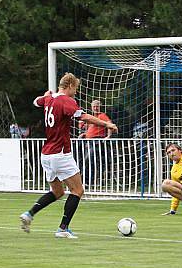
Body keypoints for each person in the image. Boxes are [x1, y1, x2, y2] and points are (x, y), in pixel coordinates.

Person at [19, 73, 118, 238]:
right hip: (60, 153)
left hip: (46, 154)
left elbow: (36, 101)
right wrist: (106, 123)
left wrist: (45, 96)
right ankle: (63, 229)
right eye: (76, 88)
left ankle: (29, 214)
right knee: (78, 190)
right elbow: (83, 116)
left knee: (58, 192)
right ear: (70, 85)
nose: (76, 92)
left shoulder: (49, 99)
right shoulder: (66, 100)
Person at [78, 99, 113, 186]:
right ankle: (86, 181)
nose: (95, 108)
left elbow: (109, 124)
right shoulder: (92, 117)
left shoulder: (102, 116)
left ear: (100, 107)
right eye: (94, 106)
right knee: (86, 160)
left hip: (96, 141)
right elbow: (92, 129)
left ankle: (87, 181)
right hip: (88, 141)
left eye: (97, 106)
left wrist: (108, 136)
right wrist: (84, 134)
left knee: (89, 160)